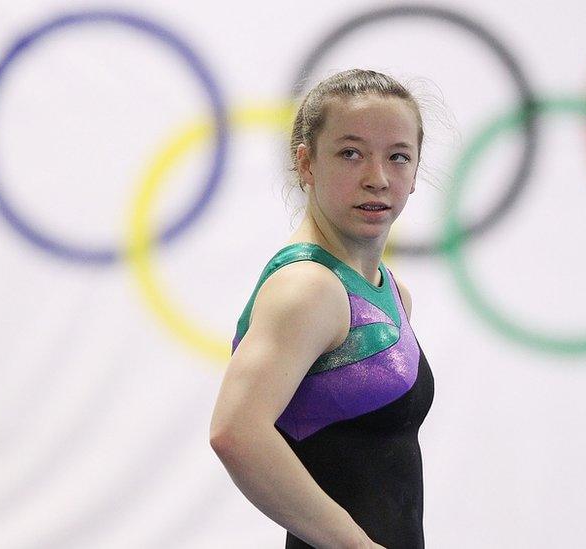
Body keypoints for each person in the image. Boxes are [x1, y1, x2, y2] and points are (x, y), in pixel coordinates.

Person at [210, 69, 435, 549]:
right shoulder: (309, 288)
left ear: (415, 173)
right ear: (306, 164)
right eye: (350, 154)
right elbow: (236, 433)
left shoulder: (389, 290)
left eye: (398, 157)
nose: (377, 178)